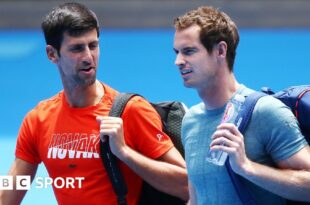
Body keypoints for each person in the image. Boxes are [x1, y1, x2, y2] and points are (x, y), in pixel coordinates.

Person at [0, 2, 188, 205]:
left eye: (93, 45)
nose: (88, 57)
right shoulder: (38, 119)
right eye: (77, 49)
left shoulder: (131, 111)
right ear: (52, 54)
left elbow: (187, 186)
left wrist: (125, 153)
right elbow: (11, 189)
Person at [173, 6, 310, 205]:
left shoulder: (265, 111)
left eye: (189, 51)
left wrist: (247, 167)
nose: (178, 61)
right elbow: (197, 198)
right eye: (176, 52)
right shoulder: (190, 121)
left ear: (220, 50)